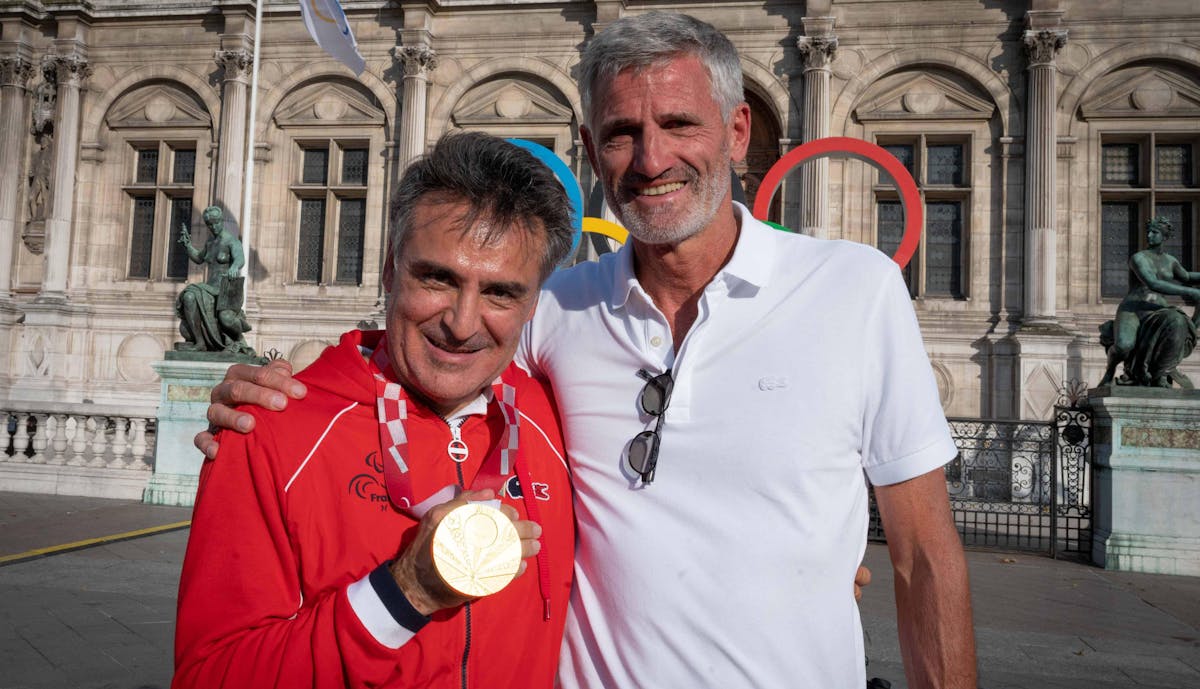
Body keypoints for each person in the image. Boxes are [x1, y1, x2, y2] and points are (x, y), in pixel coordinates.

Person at [198, 12, 977, 688]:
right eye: (621, 133)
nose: (650, 159)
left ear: (739, 132)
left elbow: (923, 559)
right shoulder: (554, 308)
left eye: (678, 124)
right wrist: (279, 382)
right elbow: (432, 343)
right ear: (588, 149)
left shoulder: (855, 291)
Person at [173, 133, 577, 688]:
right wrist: (404, 592)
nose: (462, 324)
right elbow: (210, 676)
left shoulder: (555, 416)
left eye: (500, 293)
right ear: (390, 270)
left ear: (533, 303)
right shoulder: (267, 428)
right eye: (437, 278)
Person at [1098, 216, 1200, 388]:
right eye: (1149, 232)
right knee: (1124, 346)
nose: (1150, 236)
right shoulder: (1139, 258)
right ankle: (1110, 371)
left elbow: (1187, 276)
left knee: (1177, 320)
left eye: (1155, 232)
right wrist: (1191, 292)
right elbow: (1153, 283)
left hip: (1158, 310)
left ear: (1165, 237)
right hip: (1133, 309)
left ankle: (1161, 373)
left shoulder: (1171, 261)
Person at [174, 205, 255, 356]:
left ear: (222, 221)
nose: (214, 226)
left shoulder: (231, 241)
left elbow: (240, 259)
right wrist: (188, 246)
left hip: (226, 289)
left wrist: (234, 267)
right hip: (210, 288)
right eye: (210, 224)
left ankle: (238, 339)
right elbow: (199, 258)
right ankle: (199, 342)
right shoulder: (210, 243)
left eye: (216, 222)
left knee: (225, 318)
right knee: (189, 296)